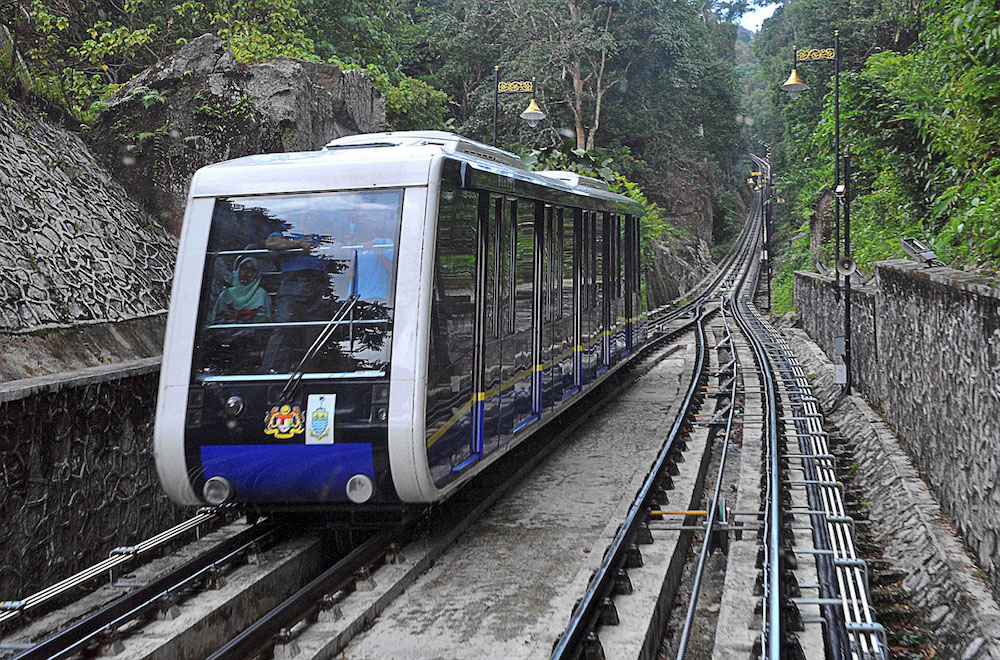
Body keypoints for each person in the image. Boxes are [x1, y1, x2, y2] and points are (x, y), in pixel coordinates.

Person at [260, 229, 333, 372]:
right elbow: (271, 243)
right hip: (292, 284)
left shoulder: (324, 230)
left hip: (319, 285)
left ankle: (310, 374)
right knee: (285, 327)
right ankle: (269, 372)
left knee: (315, 335)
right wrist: (298, 244)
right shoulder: (287, 229)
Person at [211, 256, 271, 324]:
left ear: (255, 273)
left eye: (250, 269)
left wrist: (241, 317)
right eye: (243, 268)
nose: (246, 272)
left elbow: (264, 319)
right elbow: (217, 318)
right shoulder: (227, 294)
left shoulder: (261, 294)